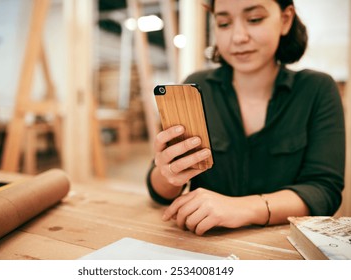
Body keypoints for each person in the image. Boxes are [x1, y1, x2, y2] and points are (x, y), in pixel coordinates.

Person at [146, 0, 345, 236]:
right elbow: (158, 191)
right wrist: (168, 174)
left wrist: (243, 208)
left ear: (285, 19)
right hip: (205, 244)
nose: (238, 37)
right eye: (224, 23)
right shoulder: (199, 87)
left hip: (283, 248)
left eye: (254, 19)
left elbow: (324, 191)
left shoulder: (316, 89)